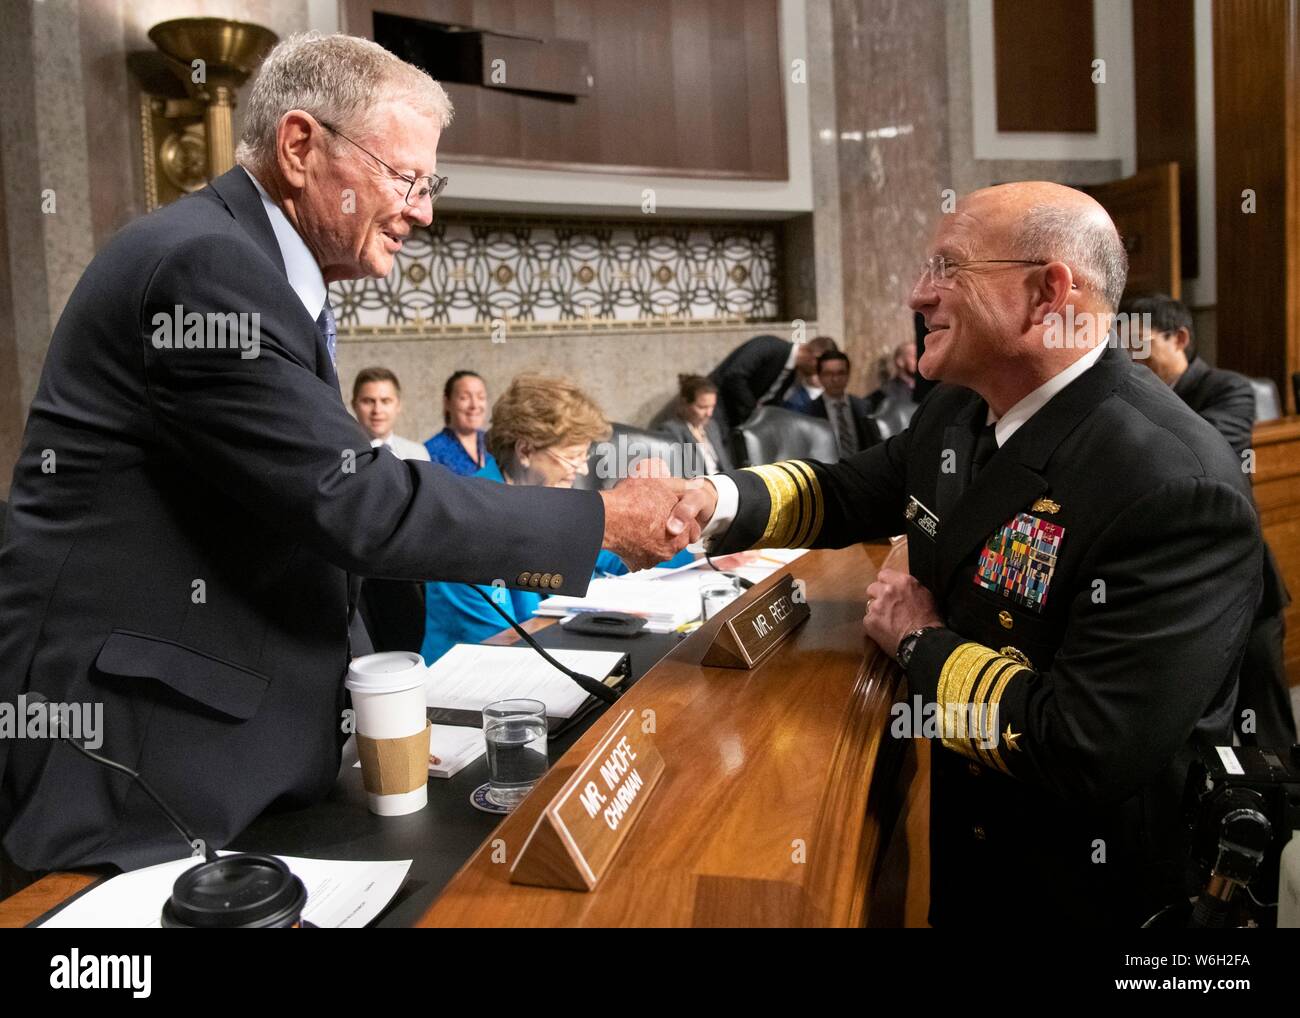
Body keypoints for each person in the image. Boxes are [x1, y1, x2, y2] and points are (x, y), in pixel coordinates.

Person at [0, 33, 691, 877]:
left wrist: (362, 697)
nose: (424, 210)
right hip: (135, 761)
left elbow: (286, 522)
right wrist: (604, 520)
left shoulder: (257, 268)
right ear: (300, 146)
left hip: (230, 745)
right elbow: (354, 504)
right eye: (406, 179)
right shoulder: (203, 266)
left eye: (427, 184)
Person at [669, 182, 1264, 926]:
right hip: (970, 844)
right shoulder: (960, 406)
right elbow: (850, 491)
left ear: (1048, 293)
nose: (920, 294)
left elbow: (1083, 748)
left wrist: (918, 641)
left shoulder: (1173, 485)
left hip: (1089, 888)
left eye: (949, 269)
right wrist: (708, 500)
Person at [1122, 292, 1295, 747]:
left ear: (1179, 338)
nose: (1130, 358)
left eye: (1139, 345)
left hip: (1245, 593)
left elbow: (1202, 454)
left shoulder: (1229, 388)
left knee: (1267, 732)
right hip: (1176, 600)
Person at [421, 376, 693, 663]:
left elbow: (611, 555)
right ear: (525, 450)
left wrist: (691, 536)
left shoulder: (548, 497)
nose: (581, 468)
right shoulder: (468, 524)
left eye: (583, 455)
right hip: (471, 684)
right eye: (572, 456)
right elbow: (501, 645)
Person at [708, 333, 837, 432]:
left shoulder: (791, 373)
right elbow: (734, 375)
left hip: (733, 422)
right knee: (694, 459)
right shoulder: (769, 346)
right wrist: (753, 411)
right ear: (814, 357)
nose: (818, 374)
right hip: (717, 409)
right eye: (820, 368)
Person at [658, 375, 734, 477]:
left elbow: (726, 465)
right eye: (703, 407)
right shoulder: (671, 431)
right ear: (685, 403)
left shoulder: (712, 426)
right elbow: (681, 474)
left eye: (712, 406)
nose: (709, 413)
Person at [808, 351, 879, 457]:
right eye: (828, 374)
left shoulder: (863, 406)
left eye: (841, 373)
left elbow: (873, 443)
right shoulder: (809, 411)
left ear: (848, 374)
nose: (835, 379)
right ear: (819, 377)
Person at [350, 366, 430, 461]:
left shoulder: (418, 453)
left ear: (398, 405)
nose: (377, 410)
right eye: (368, 401)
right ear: (354, 405)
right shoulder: (344, 454)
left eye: (385, 401)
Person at [424, 369, 493, 476]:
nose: (474, 405)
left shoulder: (495, 444)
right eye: (464, 398)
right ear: (447, 402)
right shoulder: (430, 451)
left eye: (481, 397)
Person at [867, 340, 918, 411]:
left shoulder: (925, 388)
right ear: (900, 361)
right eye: (914, 357)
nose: (919, 361)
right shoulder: (886, 392)